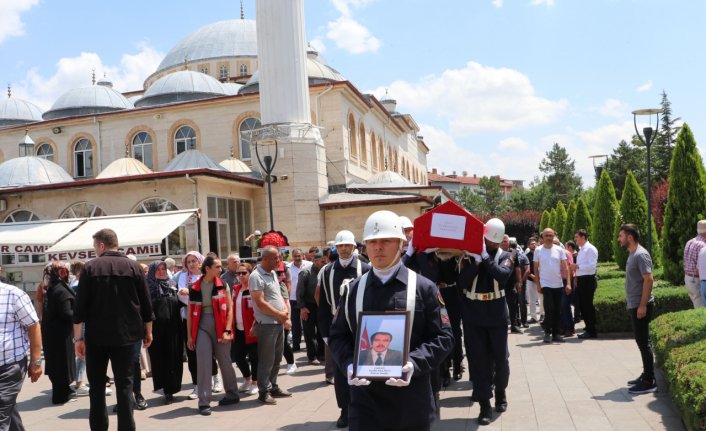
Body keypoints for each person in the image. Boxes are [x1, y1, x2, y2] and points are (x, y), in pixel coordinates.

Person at [329, 210, 453, 431]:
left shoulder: (424, 288)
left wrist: (414, 363)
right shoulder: (352, 290)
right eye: (372, 241)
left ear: (401, 245)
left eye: (386, 241)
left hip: (412, 400)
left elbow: (444, 337)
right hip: (365, 403)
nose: (378, 247)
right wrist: (348, 363)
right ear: (365, 246)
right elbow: (338, 336)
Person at [73, 228, 154, 431]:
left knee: (97, 388)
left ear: (101, 245)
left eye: (95, 247)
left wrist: (77, 340)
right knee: (125, 387)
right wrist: (149, 331)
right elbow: (146, 304)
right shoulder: (134, 267)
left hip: (97, 338)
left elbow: (79, 308)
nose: (94, 251)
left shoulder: (90, 269)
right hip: (127, 336)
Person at [458, 218, 513, 425]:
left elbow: (502, 276)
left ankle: (500, 392)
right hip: (474, 315)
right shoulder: (469, 257)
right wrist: (477, 262)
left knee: (501, 359)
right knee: (479, 361)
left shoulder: (506, 256)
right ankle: (484, 406)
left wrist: (485, 259)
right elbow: (461, 283)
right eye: (490, 242)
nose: (493, 245)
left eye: (496, 242)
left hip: (497, 314)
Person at [317, 229, 370, 428]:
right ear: (335, 248)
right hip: (337, 327)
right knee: (341, 372)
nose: (344, 249)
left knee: (364, 368)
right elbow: (322, 304)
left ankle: (364, 409)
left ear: (354, 247)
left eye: (347, 245)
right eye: (340, 246)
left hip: (360, 325)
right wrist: (324, 333)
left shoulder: (365, 268)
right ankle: (345, 410)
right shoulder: (327, 271)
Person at [186, 255, 240, 415]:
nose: (220, 269)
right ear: (207, 268)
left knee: (225, 361)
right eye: (217, 266)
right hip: (201, 326)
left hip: (221, 326)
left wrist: (228, 330)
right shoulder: (194, 287)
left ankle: (232, 394)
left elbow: (230, 309)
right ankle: (204, 401)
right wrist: (190, 336)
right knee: (203, 362)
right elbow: (190, 313)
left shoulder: (223, 284)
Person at [250, 246, 292, 405]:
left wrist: (284, 314)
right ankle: (263, 391)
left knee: (276, 358)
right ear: (265, 259)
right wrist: (279, 314)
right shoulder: (256, 276)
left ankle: (273, 386)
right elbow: (260, 303)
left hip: (278, 322)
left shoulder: (273, 273)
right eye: (276, 258)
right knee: (266, 360)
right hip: (267, 324)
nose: (279, 260)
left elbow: (277, 296)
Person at [618, 224, 657, 394]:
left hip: (641, 305)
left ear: (630, 237)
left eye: (621, 236)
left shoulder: (640, 254)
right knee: (641, 342)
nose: (619, 239)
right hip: (635, 304)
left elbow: (648, 280)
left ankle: (649, 381)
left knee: (644, 343)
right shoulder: (633, 254)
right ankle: (646, 374)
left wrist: (642, 305)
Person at [0, 281, 43, 431]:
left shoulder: (13, 294)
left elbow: (33, 325)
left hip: (9, 366)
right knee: (7, 412)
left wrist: (36, 361)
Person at [177, 251, 219, 399]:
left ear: (200, 261)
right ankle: (196, 386)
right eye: (188, 262)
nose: (191, 264)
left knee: (209, 350)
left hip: (205, 316)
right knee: (191, 352)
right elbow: (181, 295)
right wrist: (192, 295)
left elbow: (205, 295)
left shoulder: (205, 276)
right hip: (188, 317)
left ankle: (215, 378)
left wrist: (190, 293)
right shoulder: (182, 276)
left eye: (194, 261)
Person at [145, 261, 183, 405]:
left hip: (174, 328)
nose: (161, 272)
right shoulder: (148, 287)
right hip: (157, 329)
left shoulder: (172, 284)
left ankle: (174, 387)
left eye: (163, 269)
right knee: (160, 358)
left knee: (174, 356)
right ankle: (166, 390)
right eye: (158, 269)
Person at [42, 261, 77, 404]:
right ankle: (61, 395)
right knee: (61, 363)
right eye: (63, 271)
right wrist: (79, 313)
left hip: (53, 333)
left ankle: (64, 390)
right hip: (60, 334)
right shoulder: (60, 290)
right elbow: (66, 313)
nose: (67, 273)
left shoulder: (53, 288)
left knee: (58, 363)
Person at [534, 228, 570, 344]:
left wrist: (568, 283)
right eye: (546, 235)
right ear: (542, 237)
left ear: (553, 236)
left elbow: (566, 267)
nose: (549, 237)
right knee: (549, 309)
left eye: (551, 235)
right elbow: (536, 269)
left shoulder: (559, 250)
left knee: (557, 310)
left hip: (558, 284)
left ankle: (556, 334)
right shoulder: (538, 250)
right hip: (546, 284)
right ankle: (547, 333)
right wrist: (538, 284)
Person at [230, 263, 259, 396]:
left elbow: (258, 309)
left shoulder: (254, 289)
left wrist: (255, 324)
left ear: (250, 273)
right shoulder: (235, 289)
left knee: (254, 357)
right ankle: (247, 379)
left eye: (243, 273)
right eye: (238, 273)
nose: (240, 276)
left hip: (252, 329)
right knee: (238, 357)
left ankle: (255, 382)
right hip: (238, 329)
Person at [296, 253, 326, 365]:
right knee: (309, 332)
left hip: (321, 305)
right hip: (308, 305)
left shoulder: (325, 271)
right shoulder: (305, 272)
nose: (324, 263)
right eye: (321, 261)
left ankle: (322, 354)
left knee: (322, 331)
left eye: (324, 261)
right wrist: (302, 307)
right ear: (315, 261)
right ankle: (312, 356)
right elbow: (299, 292)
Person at [571, 229, 598, 339]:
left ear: (583, 237)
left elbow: (592, 266)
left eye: (577, 237)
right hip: (582, 280)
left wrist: (577, 267)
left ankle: (591, 331)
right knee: (582, 305)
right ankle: (588, 327)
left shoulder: (590, 249)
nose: (575, 239)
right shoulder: (582, 249)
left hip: (588, 280)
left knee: (587, 306)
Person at [70, 260, 89, 396]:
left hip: (79, 321)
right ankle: (79, 382)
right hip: (83, 321)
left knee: (82, 353)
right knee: (82, 353)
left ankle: (79, 381)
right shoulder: (78, 285)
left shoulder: (73, 284)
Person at [287, 248, 311, 352]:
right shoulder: (288, 268)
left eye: (299, 256)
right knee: (295, 323)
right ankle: (296, 345)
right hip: (293, 299)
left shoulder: (309, 265)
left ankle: (310, 345)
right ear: (292, 257)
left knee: (308, 323)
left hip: (307, 299)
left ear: (303, 256)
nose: (297, 258)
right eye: (295, 256)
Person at [500, 235, 523, 334]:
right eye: (502, 241)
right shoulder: (497, 253)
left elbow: (517, 268)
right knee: (499, 305)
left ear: (509, 242)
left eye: (505, 241)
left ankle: (514, 325)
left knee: (513, 305)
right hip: (499, 283)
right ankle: (500, 325)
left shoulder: (513, 253)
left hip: (511, 283)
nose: (504, 243)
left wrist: (519, 281)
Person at [683, 220, 706, 308]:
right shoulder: (703, 245)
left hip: (688, 278)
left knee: (696, 305)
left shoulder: (690, 241)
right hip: (697, 280)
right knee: (701, 310)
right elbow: (700, 267)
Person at [559, 239, 576, 337]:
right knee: (560, 306)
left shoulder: (566, 253)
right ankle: (563, 327)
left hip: (566, 281)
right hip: (557, 281)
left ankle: (570, 327)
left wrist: (568, 284)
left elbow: (569, 268)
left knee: (565, 305)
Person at [524, 237, 540, 323]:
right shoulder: (526, 256)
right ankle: (533, 317)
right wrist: (533, 276)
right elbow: (526, 268)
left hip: (541, 279)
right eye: (531, 244)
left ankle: (543, 315)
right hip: (531, 279)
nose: (533, 245)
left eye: (535, 243)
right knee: (532, 299)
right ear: (528, 246)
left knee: (542, 298)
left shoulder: (540, 254)